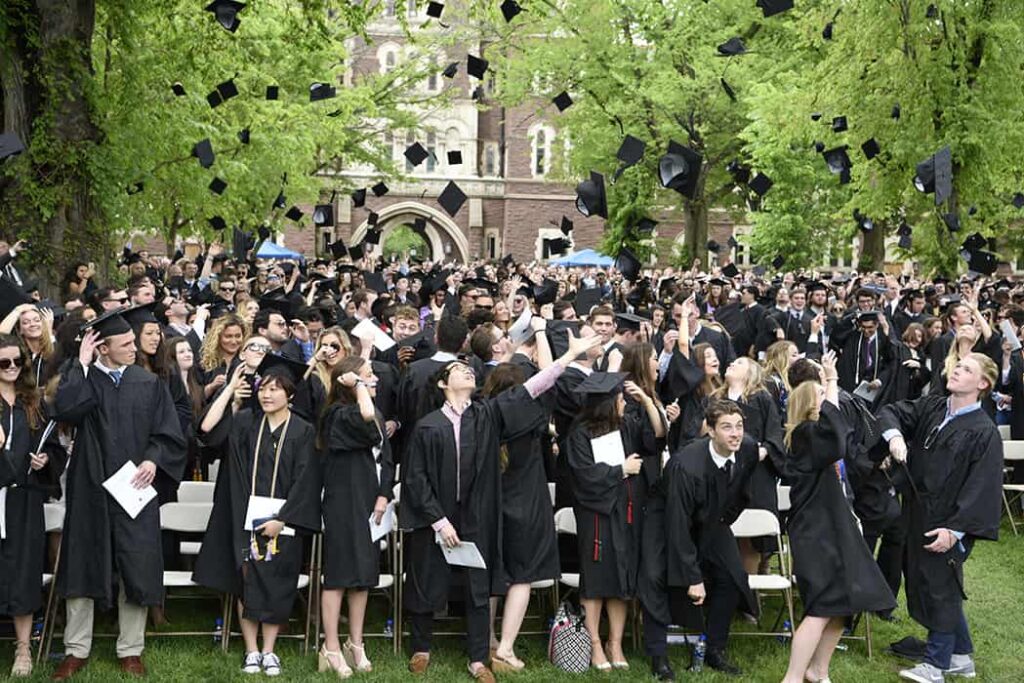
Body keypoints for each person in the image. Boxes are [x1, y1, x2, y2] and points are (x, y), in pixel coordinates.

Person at [400, 331, 601, 681]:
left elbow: (530, 389)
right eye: (458, 369)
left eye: (468, 368)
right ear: (444, 384)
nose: (467, 371)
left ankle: (479, 658)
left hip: (477, 515)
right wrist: (438, 521)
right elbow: (416, 480)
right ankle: (422, 647)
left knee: (479, 585)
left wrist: (567, 358)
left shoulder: (486, 415)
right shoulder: (427, 427)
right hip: (436, 516)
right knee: (426, 579)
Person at [52, 310, 187, 680]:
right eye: (125, 344)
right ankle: (76, 648)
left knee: (136, 564)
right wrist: (80, 364)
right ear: (103, 349)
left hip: (135, 492)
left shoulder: (147, 383)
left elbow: (170, 434)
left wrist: (153, 460)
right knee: (82, 562)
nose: (134, 349)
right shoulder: (82, 379)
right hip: (90, 488)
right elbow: (64, 409)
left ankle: (131, 649)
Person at [192, 357, 321, 677]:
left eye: (276, 390)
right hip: (245, 518)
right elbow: (206, 429)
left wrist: (285, 519)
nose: (267, 395)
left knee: (277, 583)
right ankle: (251, 651)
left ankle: (269, 651)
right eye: (264, 388)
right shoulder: (246, 423)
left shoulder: (303, 430)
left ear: (290, 394)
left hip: (283, 522)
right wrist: (231, 390)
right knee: (246, 581)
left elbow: (308, 480)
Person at [878, 353, 1003, 683]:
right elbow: (892, 411)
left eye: (966, 370)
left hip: (949, 521)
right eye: (957, 366)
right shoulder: (934, 407)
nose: (957, 371)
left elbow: (982, 486)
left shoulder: (984, 431)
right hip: (918, 510)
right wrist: (895, 437)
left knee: (940, 588)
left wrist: (956, 530)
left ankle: (935, 665)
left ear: (983, 384)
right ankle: (961, 658)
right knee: (927, 581)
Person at [780, 351, 896, 683]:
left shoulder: (815, 433)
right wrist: (830, 380)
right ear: (807, 401)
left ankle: (818, 670)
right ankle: (793, 677)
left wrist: (829, 383)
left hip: (835, 523)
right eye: (820, 395)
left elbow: (837, 429)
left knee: (845, 603)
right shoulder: (805, 434)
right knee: (821, 605)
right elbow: (837, 436)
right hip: (816, 530)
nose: (830, 400)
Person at [650, 399, 760, 678]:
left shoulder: (746, 447)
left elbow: (742, 490)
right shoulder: (685, 466)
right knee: (655, 577)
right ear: (710, 431)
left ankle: (714, 648)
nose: (735, 433)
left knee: (733, 575)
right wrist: (693, 577)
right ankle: (658, 656)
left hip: (713, 516)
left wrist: (723, 520)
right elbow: (677, 523)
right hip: (666, 519)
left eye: (739, 426)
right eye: (726, 427)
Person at [565, 371, 665, 672]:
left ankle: (616, 642)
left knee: (622, 577)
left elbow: (657, 436)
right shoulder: (579, 433)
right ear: (607, 403)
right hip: (596, 514)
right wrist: (620, 469)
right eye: (620, 399)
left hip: (626, 511)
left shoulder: (627, 426)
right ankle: (595, 643)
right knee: (597, 578)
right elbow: (582, 475)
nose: (624, 403)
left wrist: (647, 400)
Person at [483, 318, 558, 672]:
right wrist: (541, 332)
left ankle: (488, 640)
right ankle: (507, 649)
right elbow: (549, 374)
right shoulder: (530, 417)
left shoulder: (485, 417)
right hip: (527, 502)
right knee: (522, 577)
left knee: (495, 573)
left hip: (493, 503)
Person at [317, 357, 395, 677]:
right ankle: (331, 646)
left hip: (369, 501)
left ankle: (356, 643)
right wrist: (358, 386)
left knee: (363, 575)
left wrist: (383, 493)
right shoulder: (338, 415)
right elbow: (365, 420)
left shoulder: (372, 412)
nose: (373, 379)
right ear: (348, 382)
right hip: (341, 501)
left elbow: (386, 458)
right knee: (338, 575)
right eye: (366, 376)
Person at [0, 335, 65, 678]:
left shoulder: (34, 403)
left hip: (24, 499)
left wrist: (45, 460)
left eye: (17, 362)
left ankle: (23, 648)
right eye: (3, 363)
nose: (11, 369)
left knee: (23, 572)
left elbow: (56, 449)